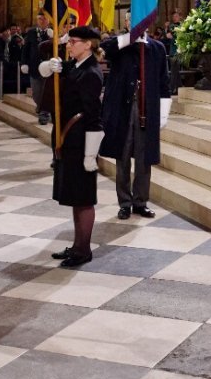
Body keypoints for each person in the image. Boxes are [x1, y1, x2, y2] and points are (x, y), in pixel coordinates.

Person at [41, 26, 104, 268]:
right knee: (76, 196)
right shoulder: (76, 67)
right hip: (68, 136)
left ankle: (84, 250)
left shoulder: (91, 72)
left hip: (80, 139)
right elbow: (48, 67)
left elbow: (93, 115)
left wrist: (91, 154)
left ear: (88, 44)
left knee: (84, 197)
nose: (69, 45)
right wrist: (51, 65)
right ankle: (77, 245)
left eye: (73, 42)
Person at [100, 28, 172, 219]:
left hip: (146, 108)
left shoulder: (157, 48)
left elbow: (164, 81)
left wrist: (163, 113)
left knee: (143, 157)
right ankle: (124, 202)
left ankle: (141, 201)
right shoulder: (122, 44)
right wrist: (128, 39)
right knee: (122, 156)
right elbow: (105, 48)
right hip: (123, 109)